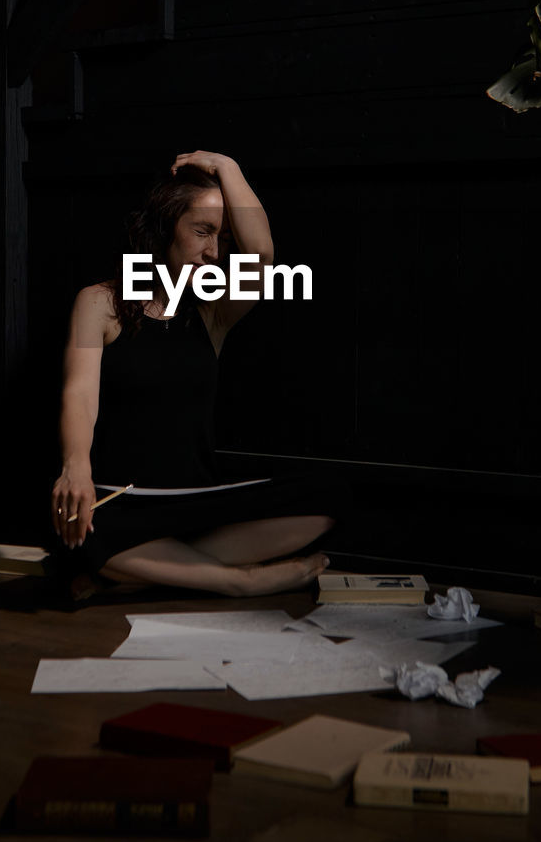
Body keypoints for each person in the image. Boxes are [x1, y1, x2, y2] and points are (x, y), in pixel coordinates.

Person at [50, 150, 337, 595]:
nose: (214, 251)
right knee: (80, 526)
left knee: (329, 497)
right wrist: (75, 468)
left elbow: (261, 253)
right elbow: (80, 395)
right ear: (165, 228)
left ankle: (136, 575)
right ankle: (236, 581)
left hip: (199, 506)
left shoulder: (212, 311)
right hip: (120, 502)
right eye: (202, 231)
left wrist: (229, 168)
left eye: (221, 237)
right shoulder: (98, 303)